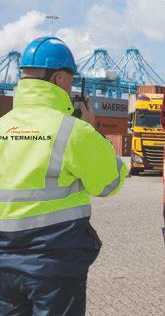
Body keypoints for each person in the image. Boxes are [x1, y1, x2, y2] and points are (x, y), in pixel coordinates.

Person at [0, 36, 128, 315]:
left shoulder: (2, 126)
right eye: (71, 79)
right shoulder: (73, 131)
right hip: (53, 268)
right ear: (59, 79)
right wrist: (94, 133)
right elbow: (110, 183)